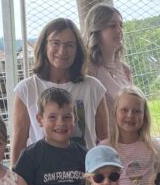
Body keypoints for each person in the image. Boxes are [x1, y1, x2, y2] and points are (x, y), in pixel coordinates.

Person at [11, 17, 107, 161]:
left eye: (70, 45)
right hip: (42, 176)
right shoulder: (26, 89)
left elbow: (105, 139)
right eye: (55, 43)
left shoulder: (93, 87)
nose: (62, 51)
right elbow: (19, 142)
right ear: (44, 45)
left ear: (77, 49)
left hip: (86, 174)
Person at [84, 4, 132, 115]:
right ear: (96, 30)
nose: (119, 30)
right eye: (112, 26)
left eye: (121, 25)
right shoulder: (88, 71)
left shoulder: (125, 70)